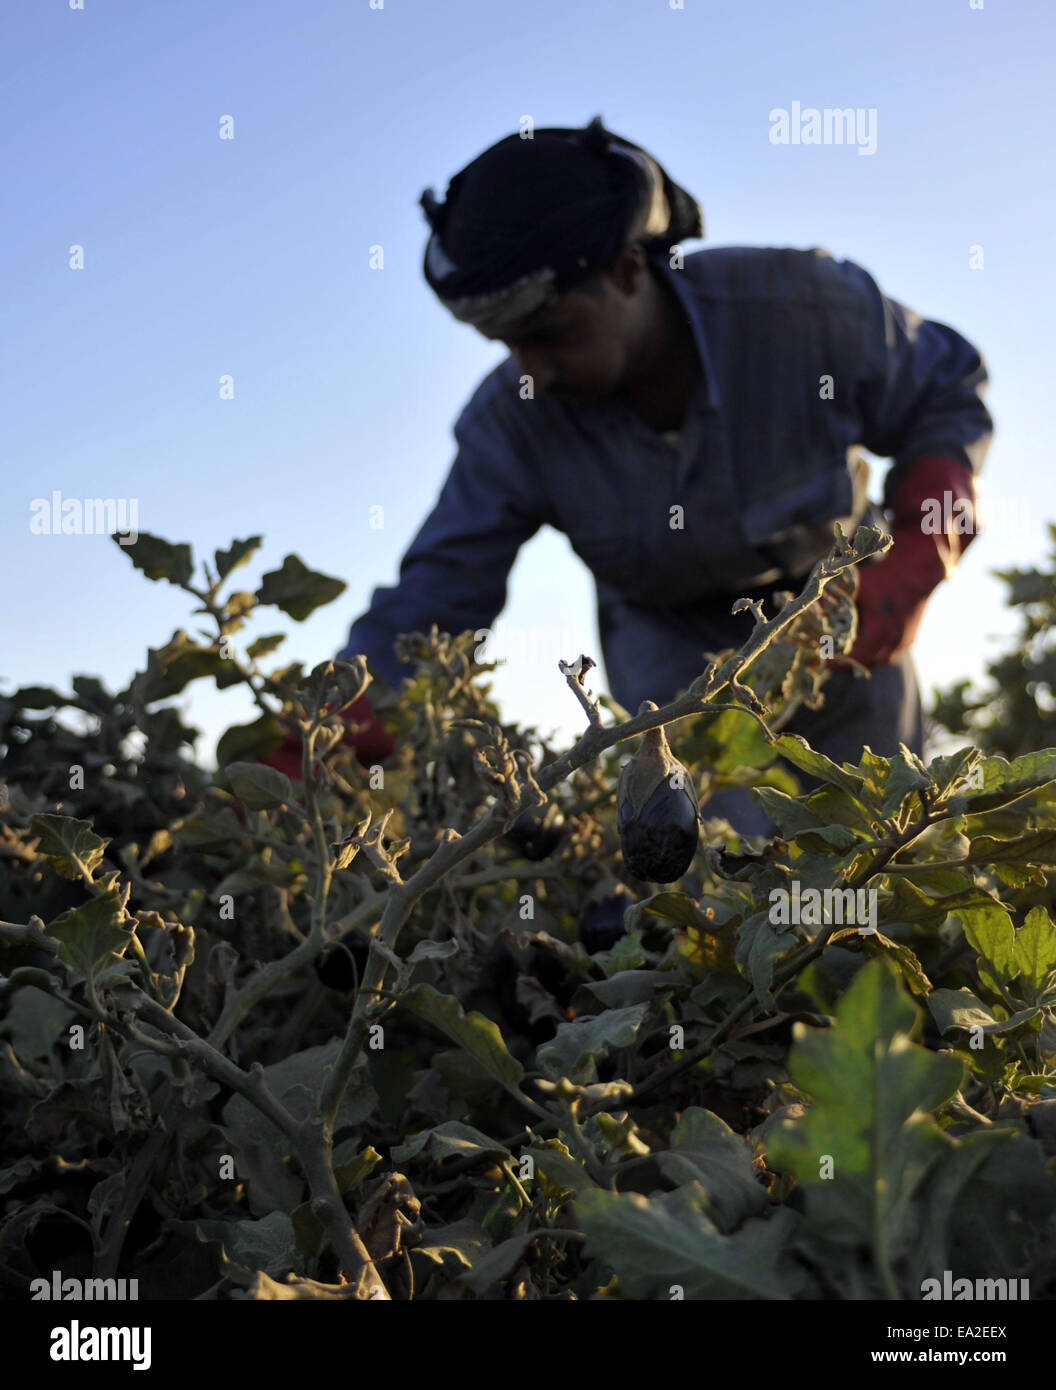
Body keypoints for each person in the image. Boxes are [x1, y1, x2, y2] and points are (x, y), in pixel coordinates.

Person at [320, 117, 993, 832]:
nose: (532, 374)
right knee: (719, 871)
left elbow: (945, 393)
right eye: (508, 345)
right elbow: (432, 604)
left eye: (547, 335)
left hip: (836, 612)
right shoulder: (509, 426)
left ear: (630, 272)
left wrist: (913, 565)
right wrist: (317, 749)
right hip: (668, 651)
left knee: (883, 845)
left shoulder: (800, 309)